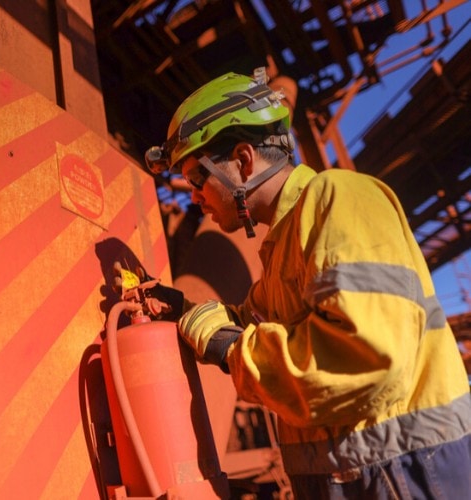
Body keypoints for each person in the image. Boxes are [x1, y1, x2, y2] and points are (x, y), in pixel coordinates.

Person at [144, 69, 471, 499]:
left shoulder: (340, 198)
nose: (193, 196)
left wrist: (232, 349)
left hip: (407, 475)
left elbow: (366, 356)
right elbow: (246, 319)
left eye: (197, 178)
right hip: (354, 479)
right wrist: (185, 310)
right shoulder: (281, 247)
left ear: (243, 161)